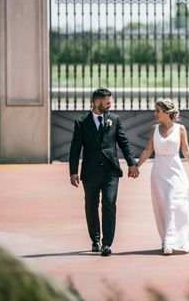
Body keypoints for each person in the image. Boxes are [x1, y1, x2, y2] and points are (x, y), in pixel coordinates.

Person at [68, 87, 139, 257]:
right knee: (91, 207)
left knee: (109, 203)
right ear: (97, 102)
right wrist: (73, 172)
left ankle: (107, 244)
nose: (110, 105)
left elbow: (124, 142)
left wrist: (132, 164)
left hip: (110, 172)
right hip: (90, 172)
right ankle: (96, 240)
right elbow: (75, 149)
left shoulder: (114, 119)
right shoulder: (81, 122)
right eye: (107, 103)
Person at [136, 98, 189, 254]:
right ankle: (167, 239)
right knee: (163, 207)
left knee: (174, 203)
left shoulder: (181, 129)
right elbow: (148, 150)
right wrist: (136, 166)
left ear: (166, 112)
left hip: (176, 171)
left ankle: (170, 242)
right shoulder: (154, 129)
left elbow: (186, 151)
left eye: (158, 110)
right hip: (159, 172)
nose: (155, 113)